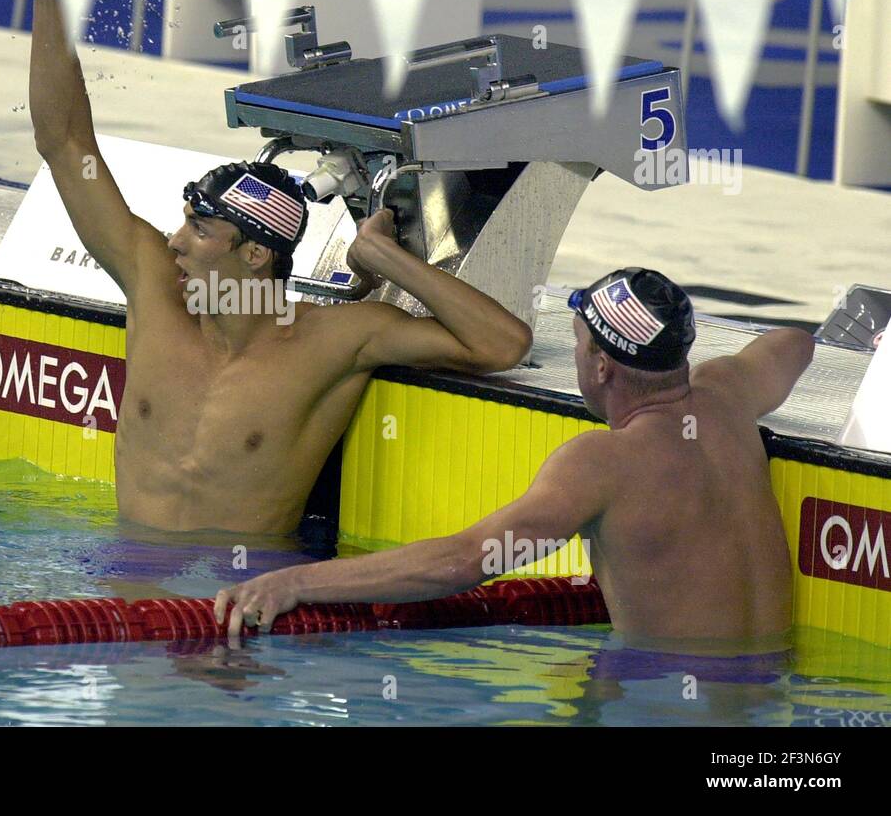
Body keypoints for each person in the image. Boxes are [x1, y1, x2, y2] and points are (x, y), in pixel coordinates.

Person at [28, 0, 532, 534]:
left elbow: (503, 346)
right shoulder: (153, 289)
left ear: (255, 255)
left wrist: (384, 257)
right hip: (124, 595)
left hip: (244, 603)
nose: (173, 242)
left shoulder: (332, 341)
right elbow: (64, 142)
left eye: (200, 230)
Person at [216, 268, 814, 649]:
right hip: (766, 703)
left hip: (655, 704)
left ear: (601, 367)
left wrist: (296, 580)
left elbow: (463, 561)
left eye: (579, 347)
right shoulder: (728, 398)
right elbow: (795, 342)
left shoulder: (604, 461)